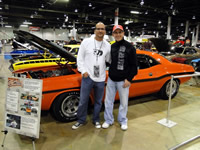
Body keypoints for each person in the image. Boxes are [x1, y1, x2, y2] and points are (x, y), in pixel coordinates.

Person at [72, 22, 111, 129]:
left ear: (105, 31)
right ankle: (81, 120)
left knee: (98, 101)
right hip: (87, 76)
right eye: (98, 29)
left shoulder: (107, 45)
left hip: (101, 78)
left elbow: (109, 60)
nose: (100, 31)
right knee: (83, 100)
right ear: (95, 31)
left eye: (102, 29)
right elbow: (79, 58)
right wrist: (83, 71)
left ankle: (96, 119)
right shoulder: (86, 42)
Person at [102, 25, 138, 131]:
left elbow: (134, 66)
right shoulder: (111, 46)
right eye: (115, 33)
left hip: (123, 81)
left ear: (123, 33)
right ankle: (108, 120)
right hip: (111, 79)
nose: (117, 34)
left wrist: (129, 79)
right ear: (113, 34)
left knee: (123, 103)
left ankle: (123, 120)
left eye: (120, 32)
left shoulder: (130, 47)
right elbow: (108, 61)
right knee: (108, 101)